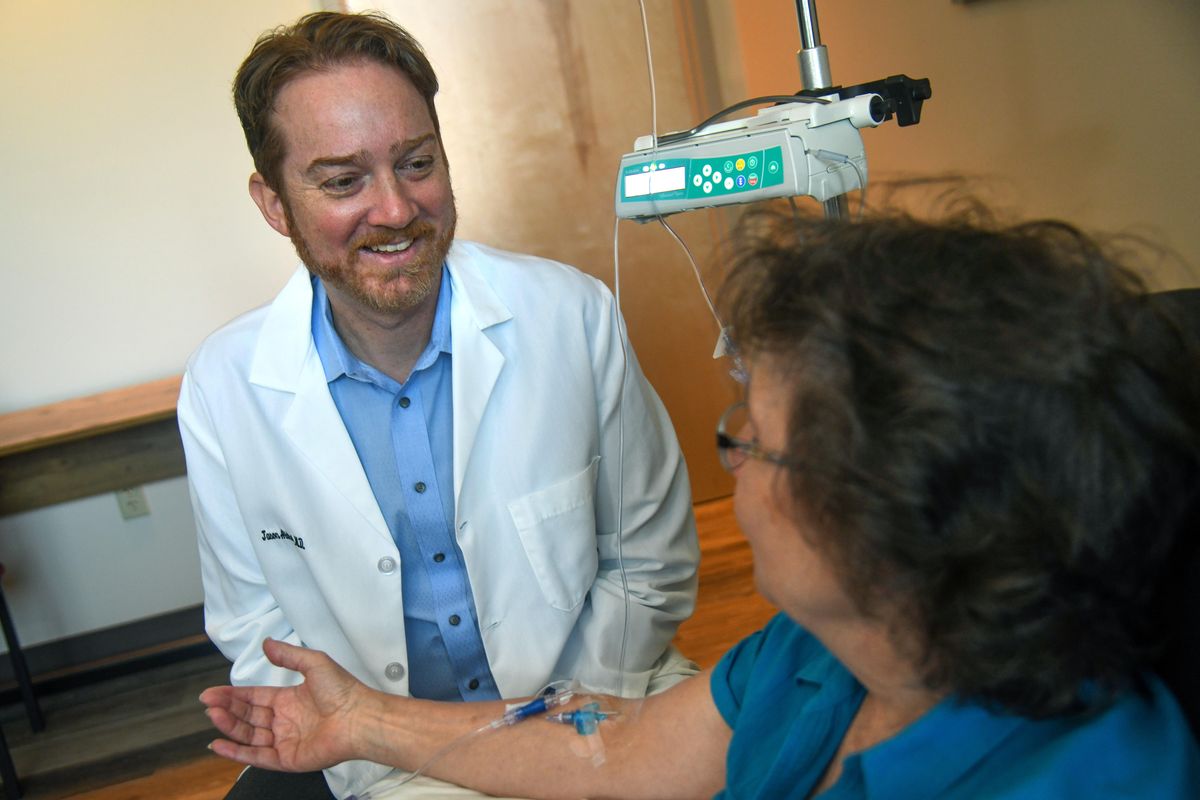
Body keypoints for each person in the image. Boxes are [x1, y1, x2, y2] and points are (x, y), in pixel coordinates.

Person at [202, 205, 1200, 798]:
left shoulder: (1104, 772)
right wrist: (364, 721)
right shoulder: (820, 653)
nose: (727, 463)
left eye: (751, 438)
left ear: (890, 504)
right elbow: (618, 750)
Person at [178, 11, 699, 798]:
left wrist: (568, 736)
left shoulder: (571, 317)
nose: (394, 210)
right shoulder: (224, 389)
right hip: (386, 759)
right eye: (342, 181)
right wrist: (400, 741)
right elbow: (258, 632)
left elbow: (648, 563)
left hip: (600, 706)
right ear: (275, 203)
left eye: (416, 163)